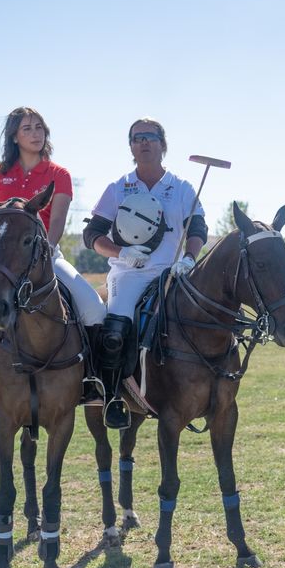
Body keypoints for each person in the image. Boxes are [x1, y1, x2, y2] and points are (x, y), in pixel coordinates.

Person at [0, 106, 106, 409]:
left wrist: (42, 258)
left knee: (94, 309)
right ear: (14, 137)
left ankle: (91, 382)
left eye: (39, 128)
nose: (35, 134)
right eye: (27, 129)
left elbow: (56, 222)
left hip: (47, 257)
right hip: (2, 262)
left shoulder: (59, 174)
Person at [82, 118, 208, 429]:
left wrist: (190, 259)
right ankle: (112, 398)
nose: (144, 142)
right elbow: (92, 235)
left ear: (163, 145)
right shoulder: (117, 188)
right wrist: (120, 253)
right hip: (129, 273)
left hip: (172, 273)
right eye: (137, 138)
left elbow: (198, 229)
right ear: (131, 147)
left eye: (151, 137)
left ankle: (206, 388)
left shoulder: (181, 188)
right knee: (114, 332)